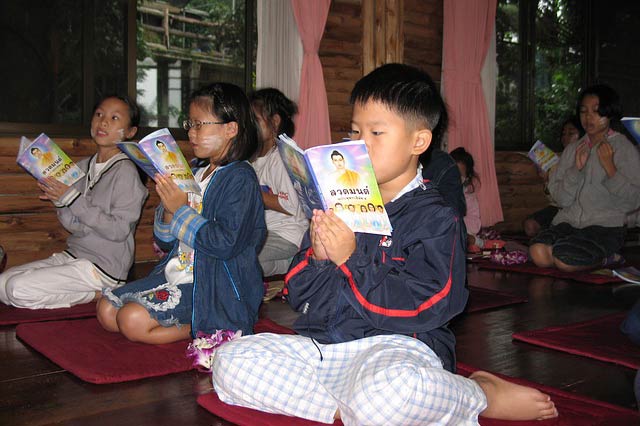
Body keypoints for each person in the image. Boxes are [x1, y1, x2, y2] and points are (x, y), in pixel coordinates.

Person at [210, 64, 558, 424]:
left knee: (390, 395)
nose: (360, 144)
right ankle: (352, 407)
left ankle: (478, 393)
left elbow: (431, 306)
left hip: (395, 352)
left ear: (418, 141)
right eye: (355, 131)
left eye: (376, 132)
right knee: (231, 361)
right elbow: (298, 295)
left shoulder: (436, 219)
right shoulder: (338, 204)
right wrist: (320, 258)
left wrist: (351, 259)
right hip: (326, 347)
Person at [96, 82, 266, 344]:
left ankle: (210, 325)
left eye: (199, 125)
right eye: (190, 124)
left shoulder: (241, 178)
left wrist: (181, 209)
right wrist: (168, 208)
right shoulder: (195, 173)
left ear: (231, 129)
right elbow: (166, 243)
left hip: (214, 287)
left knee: (131, 320)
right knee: (107, 310)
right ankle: (194, 319)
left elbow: (226, 243)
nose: (191, 133)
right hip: (177, 273)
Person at [0, 95, 148, 309]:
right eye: (99, 114)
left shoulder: (127, 171)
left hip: (103, 268)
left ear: (131, 132)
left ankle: (97, 294)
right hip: (75, 256)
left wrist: (72, 198)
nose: (103, 122)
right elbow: (74, 226)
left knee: (16, 289)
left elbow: (118, 230)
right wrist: (61, 201)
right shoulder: (81, 167)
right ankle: (89, 292)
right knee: (2, 284)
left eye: (114, 118)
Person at [530, 84, 640, 271]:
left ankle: (609, 258)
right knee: (538, 252)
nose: (588, 117)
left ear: (609, 113)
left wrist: (611, 169)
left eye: (596, 111)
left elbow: (633, 202)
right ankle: (577, 256)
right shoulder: (573, 149)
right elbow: (560, 199)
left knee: (565, 260)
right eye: (583, 111)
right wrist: (576, 170)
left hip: (605, 227)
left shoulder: (623, 148)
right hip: (568, 222)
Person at [249, 88, 309, 277]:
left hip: (287, 234)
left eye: (255, 120)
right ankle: (288, 265)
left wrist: (252, 193)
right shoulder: (254, 159)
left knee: (244, 257)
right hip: (266, 232)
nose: (249, 126)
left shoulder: (282, 159)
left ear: (275, 121)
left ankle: (293, 262)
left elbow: (291, 204)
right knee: (239, 258)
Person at [523, 116, 583, 237]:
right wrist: (546, 180)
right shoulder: (556, 161)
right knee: (530, 225)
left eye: (571, 133)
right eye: (563, 134)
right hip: (557, 207)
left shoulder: (586, 159)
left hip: (577, 208)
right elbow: (553, 198)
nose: (565, 137)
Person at [450, 147, 483, 251]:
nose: (454, 178)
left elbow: (475, 225)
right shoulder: (436, 192)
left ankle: (479, 242)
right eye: (451, 173)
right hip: (441, 234)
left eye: (459, 175)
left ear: (466, 178)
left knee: (468, 239)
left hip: (461, 232)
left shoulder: (468, 197)